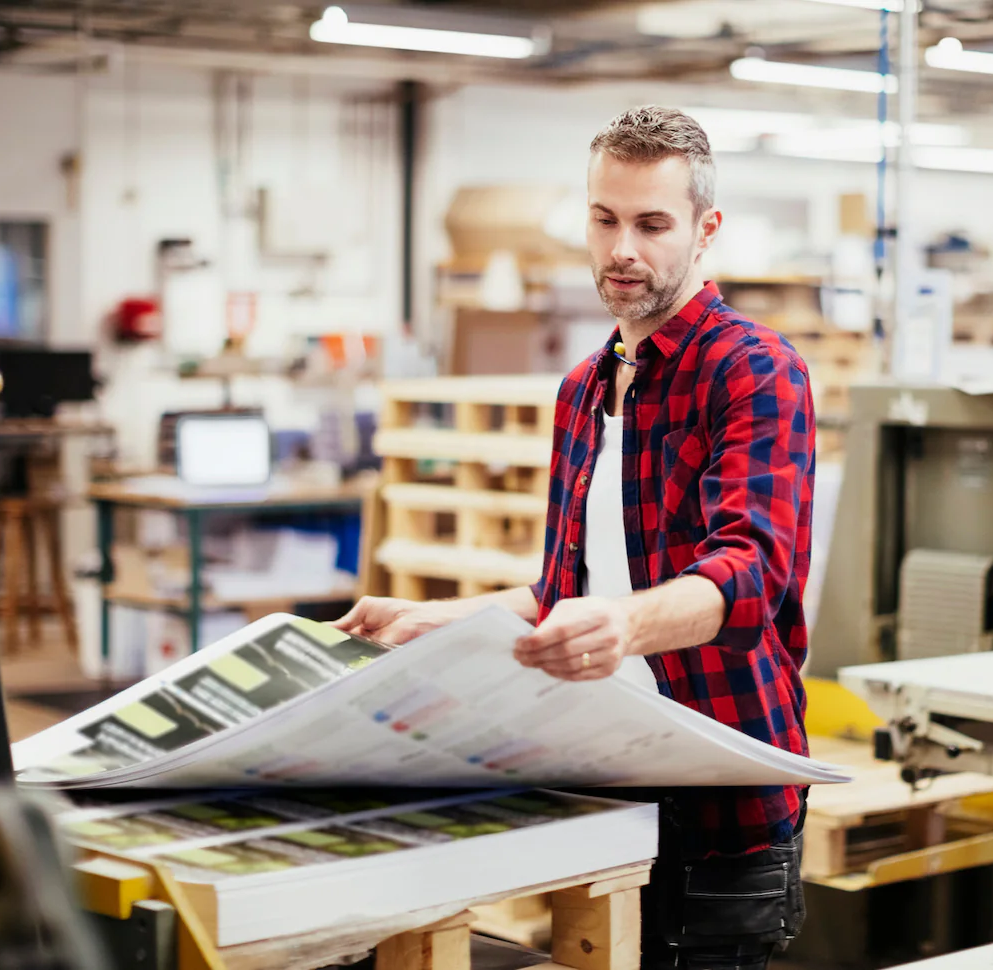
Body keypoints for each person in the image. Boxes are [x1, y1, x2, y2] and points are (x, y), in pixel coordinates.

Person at [335, 105, 815, 970]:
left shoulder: (754, 369)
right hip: (603, 777)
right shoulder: (582, 390)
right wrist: (429, 620)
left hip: (720, 799)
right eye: (604, 219)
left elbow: (751, 578)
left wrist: (624, 625)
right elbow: (564, 590)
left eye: (651, 224)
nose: (622, 248)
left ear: (705, 231)